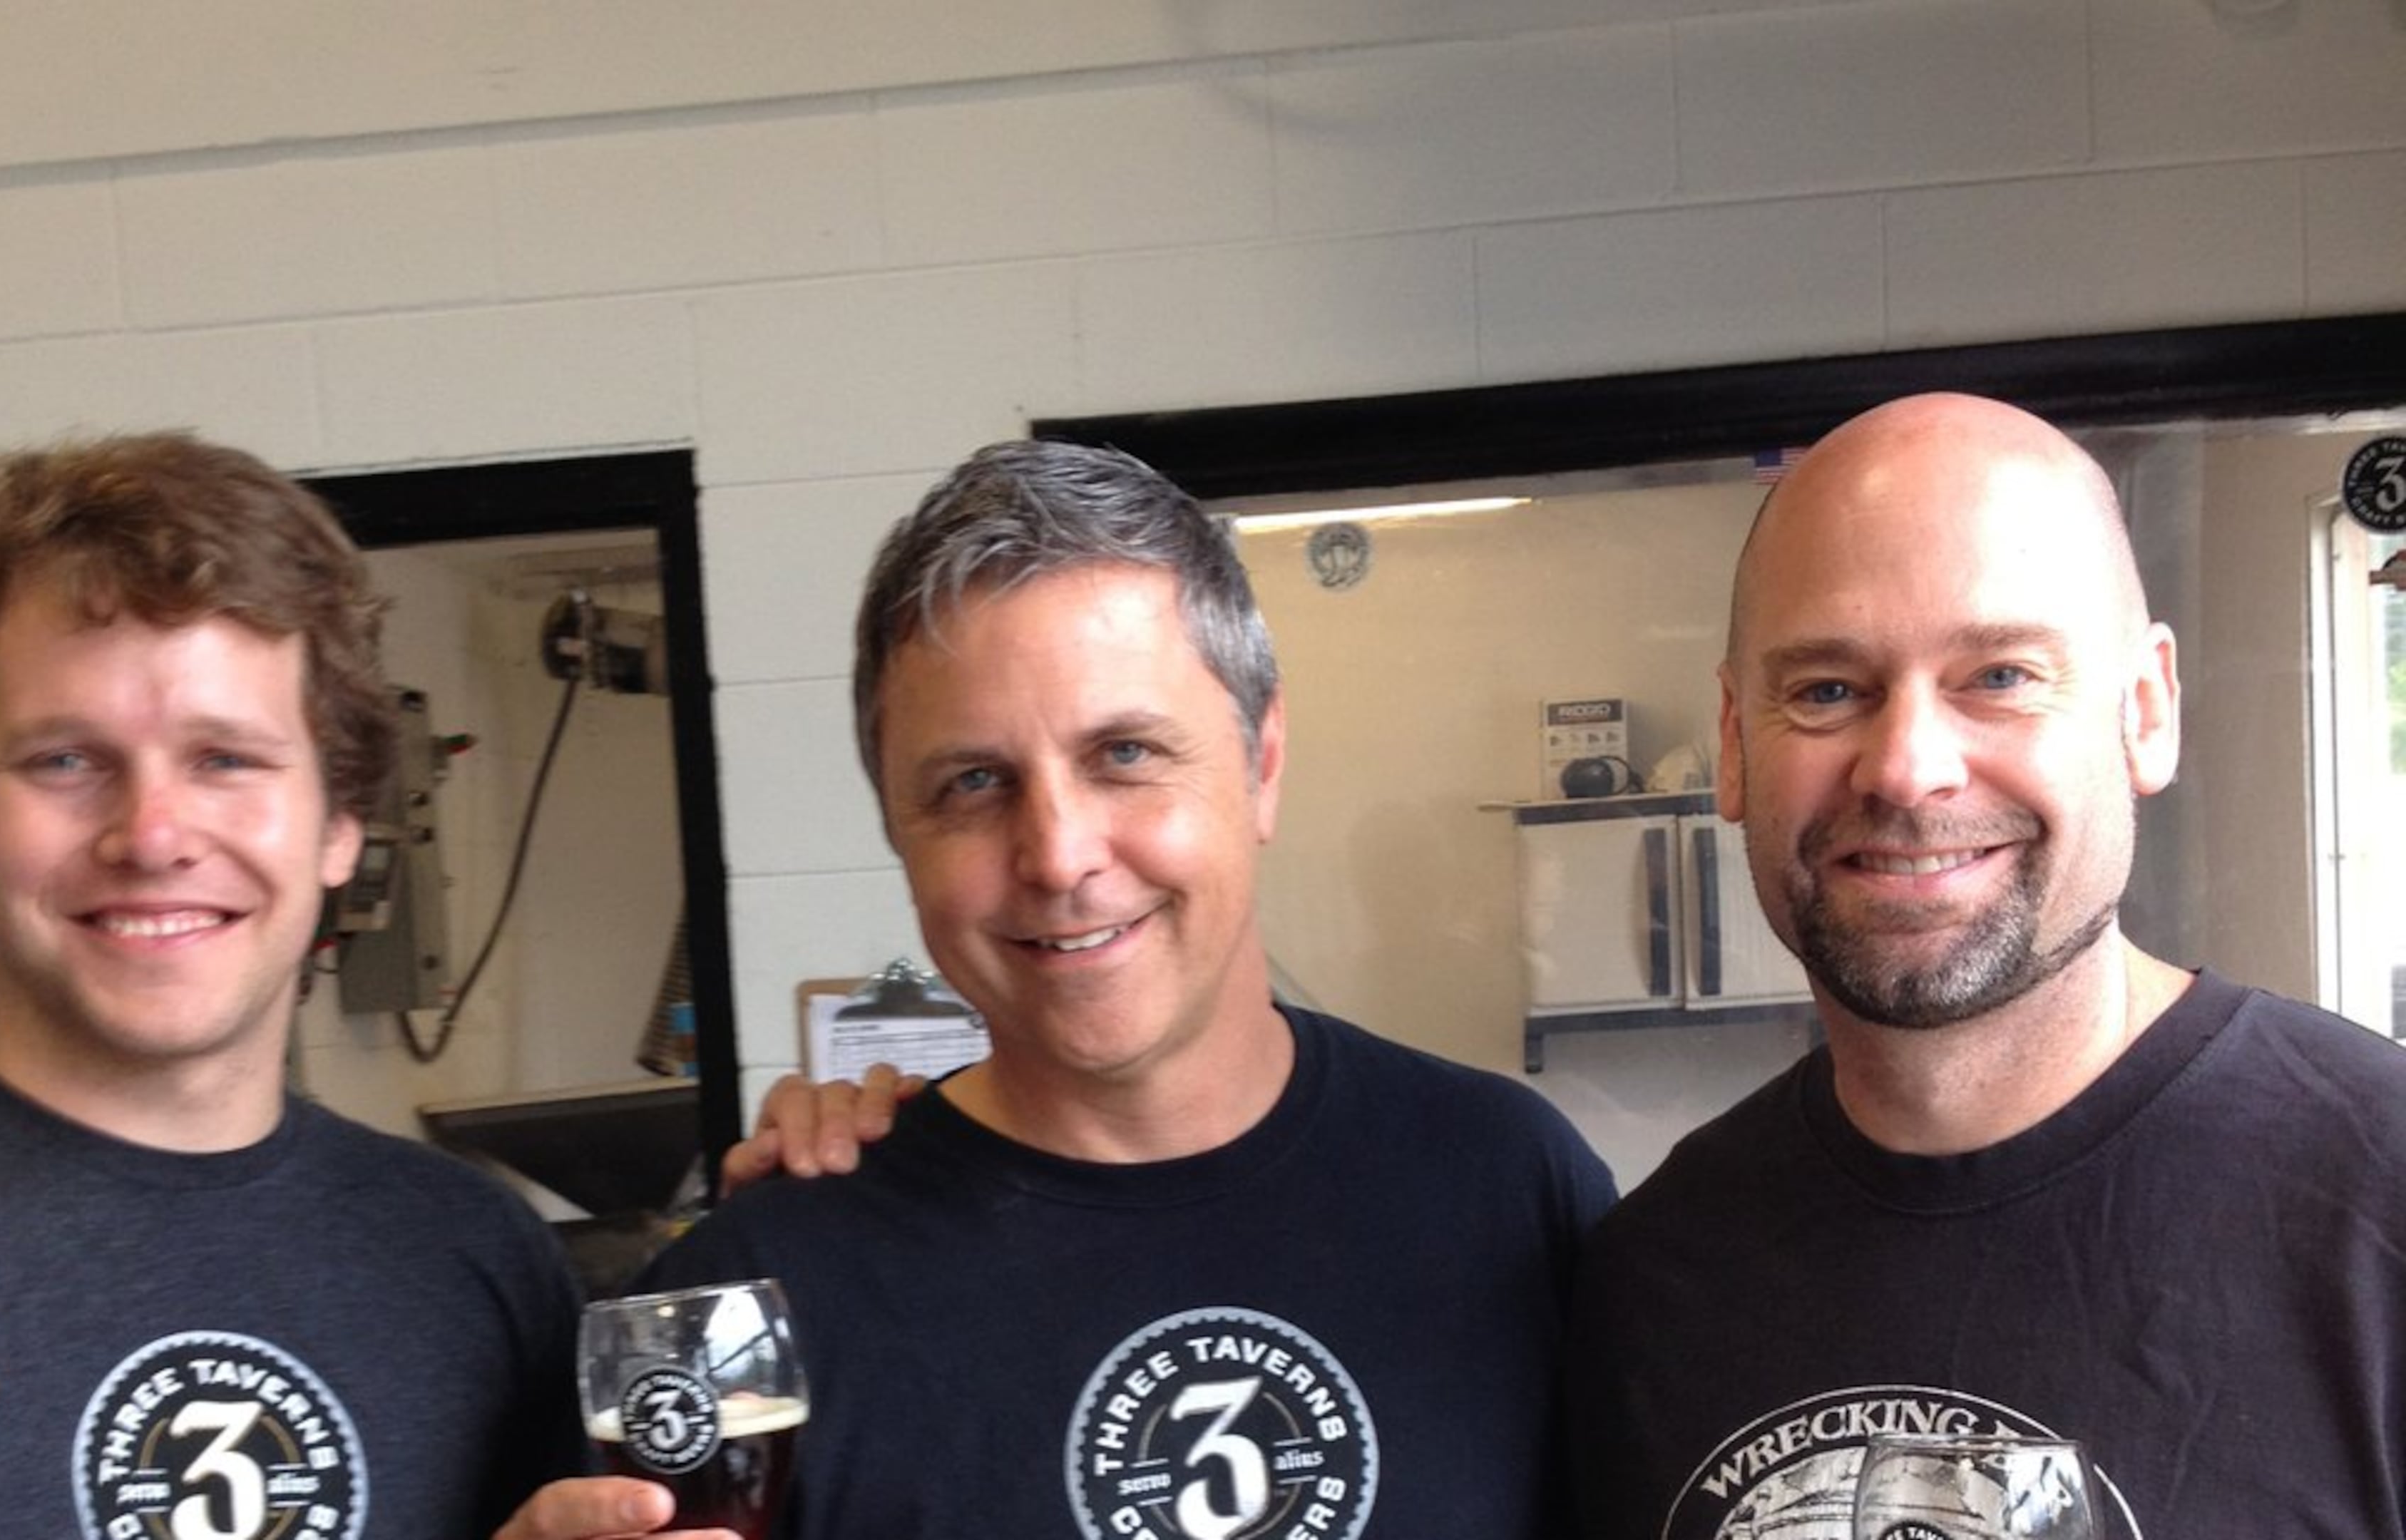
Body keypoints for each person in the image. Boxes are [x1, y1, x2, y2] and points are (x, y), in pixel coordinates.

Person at [509, 438, 1614, 1540]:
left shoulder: (1504, 1185)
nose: (1057, 855)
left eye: (1125, 753)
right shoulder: (751, 1300)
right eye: (974, 782)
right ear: (897, 827)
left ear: (1260, 765)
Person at [0, 433, 725, 1540]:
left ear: (339, 826)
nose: (155, 835)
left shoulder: (474, 1249)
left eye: (227, 757)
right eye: (65, 760)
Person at [1562, 394, 2406, 1538]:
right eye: (1826, 690)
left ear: (2145, 710)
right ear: (1733, 746)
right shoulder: (1652, 1282)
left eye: (2000, 675)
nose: (1906, 769)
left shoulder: (2377, 1203)